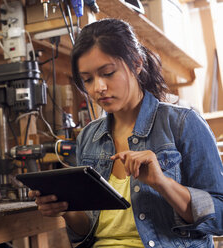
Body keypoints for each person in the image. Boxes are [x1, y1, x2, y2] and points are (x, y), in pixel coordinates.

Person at [28, 18, 223, 247]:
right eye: (88, 79)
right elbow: (89, 231)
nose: (98, 87)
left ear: (136, 63)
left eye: (108, 73)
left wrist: (163, 183)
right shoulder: (89, 137)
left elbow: (219, 217)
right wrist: (65, 209)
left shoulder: (183, 124)